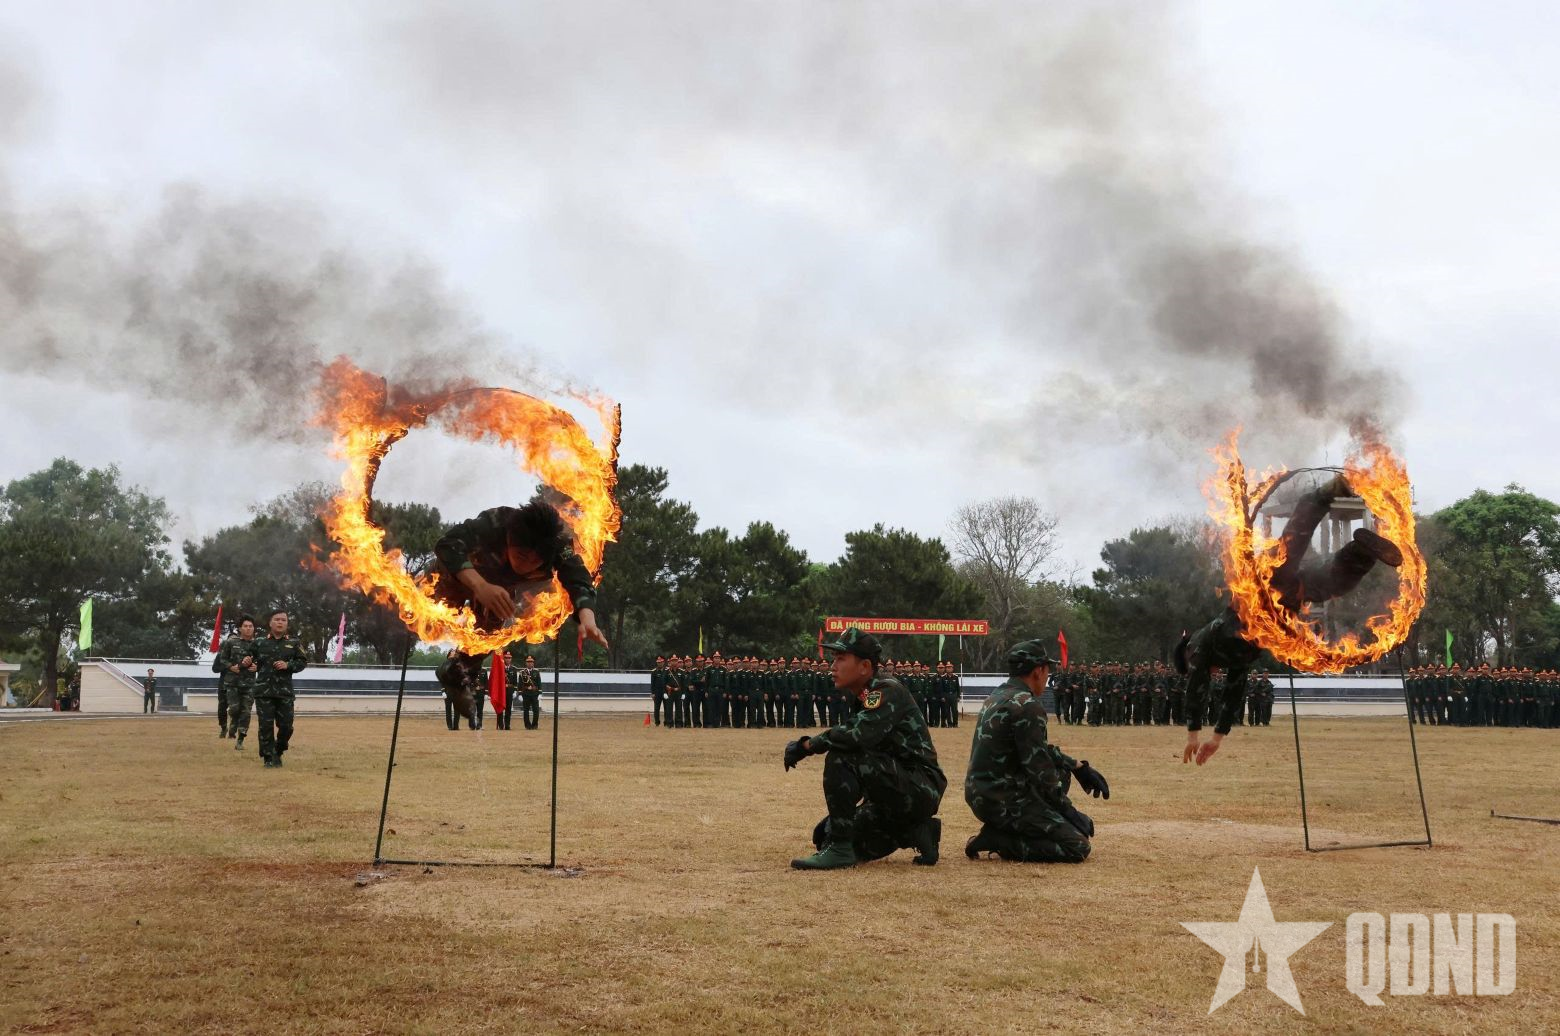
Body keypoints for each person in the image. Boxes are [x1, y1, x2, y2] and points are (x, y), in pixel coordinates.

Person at [1176, 473, 1403, 765]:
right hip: (1288, 602)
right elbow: (1233, 694)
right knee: (1333, 584)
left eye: (1197, 668)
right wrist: (1217, 738)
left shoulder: (1198, 645)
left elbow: (1196, 688)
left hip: (1266, 588)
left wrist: (1193, 734)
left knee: (1294, 541)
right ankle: (1362, 552)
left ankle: (1327, 492)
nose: (1210, 674)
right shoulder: (1234, 661)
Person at [430, 499, 608, 727]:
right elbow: (447, 544)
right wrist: (480, 586)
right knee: (426, 616)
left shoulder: (558, 547)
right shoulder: (496, 523)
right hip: (455, 575)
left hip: (498, 589)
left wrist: (587, 617)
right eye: (522, 556)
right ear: (509, 541)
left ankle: (457, 673)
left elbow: (578, 578)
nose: (526, 565)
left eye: (535, 561)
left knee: (492, 627)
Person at [783, 627, 946, 870]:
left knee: (841, 756)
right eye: (833, 659)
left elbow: (854, 735)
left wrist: (807, 746)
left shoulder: (886, 690)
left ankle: (840, 849)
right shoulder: (862, 693)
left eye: (840, 659)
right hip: (894, 789)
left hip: (919, 787)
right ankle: (917, 830)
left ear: (865, 666)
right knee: (823, 835)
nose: (833, 666)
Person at [964, 640, 1109, 863]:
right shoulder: (1026, 705)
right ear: (1038, 671)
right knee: (1076, 846)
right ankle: (998, 839)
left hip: (983, 793)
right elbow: (1039, 768)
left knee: (1062, 772)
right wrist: (1069, 811)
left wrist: (1078, 766)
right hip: (1002, 799)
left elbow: (1037, 749)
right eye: (1047, 671)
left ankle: (1010, 828)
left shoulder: (999, 695)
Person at [251, 610, 308, 768]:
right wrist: (249, 663)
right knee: (265, 726)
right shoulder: (259, 642)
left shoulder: (294, 643)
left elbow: (302, 662)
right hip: (264, 692)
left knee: (286, 726)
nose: (280, 622)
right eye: (277, 619)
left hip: (284, 692)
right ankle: (268, 758)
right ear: (270, 623)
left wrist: (288, 665)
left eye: (283, 620)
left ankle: (279, 749)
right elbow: (249, 658)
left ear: (287, 623)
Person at [215, 615, 260, 749]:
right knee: (234, 709)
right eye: (245, 626)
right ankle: (232, 726)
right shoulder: (230, 642)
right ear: (240, 628)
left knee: (246, 711)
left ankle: (240, 740)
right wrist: (230, 667)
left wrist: (257, 666)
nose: (248, 628)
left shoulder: (258, 644)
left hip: (249, 684)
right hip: (232, 683)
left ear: (254, 628)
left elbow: (264, 660)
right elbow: (222, 659)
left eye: (250, 626)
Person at [519, 654, 543, 730]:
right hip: (526, 693)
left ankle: (534, 725)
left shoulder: (537, 672)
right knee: (526, 711)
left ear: (533, 663)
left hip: (534, 694)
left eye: (531, 662)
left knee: (536, 710)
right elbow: (520, 684)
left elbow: (539, 683)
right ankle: (527, 725)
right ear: (526, 663)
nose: (529, 663)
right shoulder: (522, 672)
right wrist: (520, 694)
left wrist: (540, 693)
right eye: (528, 662)